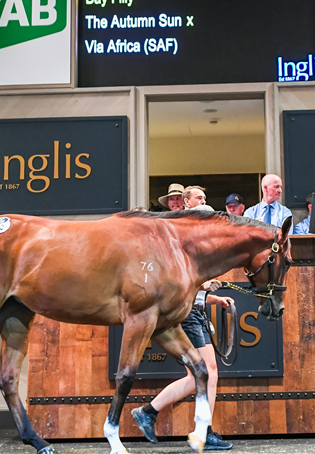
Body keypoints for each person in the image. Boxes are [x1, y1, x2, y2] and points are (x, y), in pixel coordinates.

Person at [133, 186, 234, 450]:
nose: (204, 202)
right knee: (205, 373)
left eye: (205, 198)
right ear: (187, 204)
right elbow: (176, 281)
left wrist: (213, 298)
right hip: (187, 315)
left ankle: (151, 413)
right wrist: (203, 285)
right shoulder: (178, 240)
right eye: (199, 199)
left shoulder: (193, 242)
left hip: (194, 312)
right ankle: (200, 430)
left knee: (201, 374)